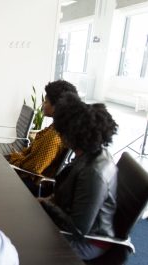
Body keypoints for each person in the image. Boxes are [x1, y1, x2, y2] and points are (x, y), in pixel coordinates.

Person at [39, 93, 119, 260]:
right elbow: (68, 192)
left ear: (72, 135)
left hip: (89, 242)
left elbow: (78, 229)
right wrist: (46, 201)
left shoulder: (94, 173)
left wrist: (45, 205)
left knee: (25, 242)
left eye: (61, 132)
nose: (59, 136)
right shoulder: (88, 154)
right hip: (75, 226)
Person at [8, 80, 80, 192]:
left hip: (32, 183)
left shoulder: (54, 136)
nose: (43, 105)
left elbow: (33, 168)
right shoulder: (57, 126)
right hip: (29, 175)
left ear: (57, 107)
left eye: (46, 102)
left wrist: (14, 157)